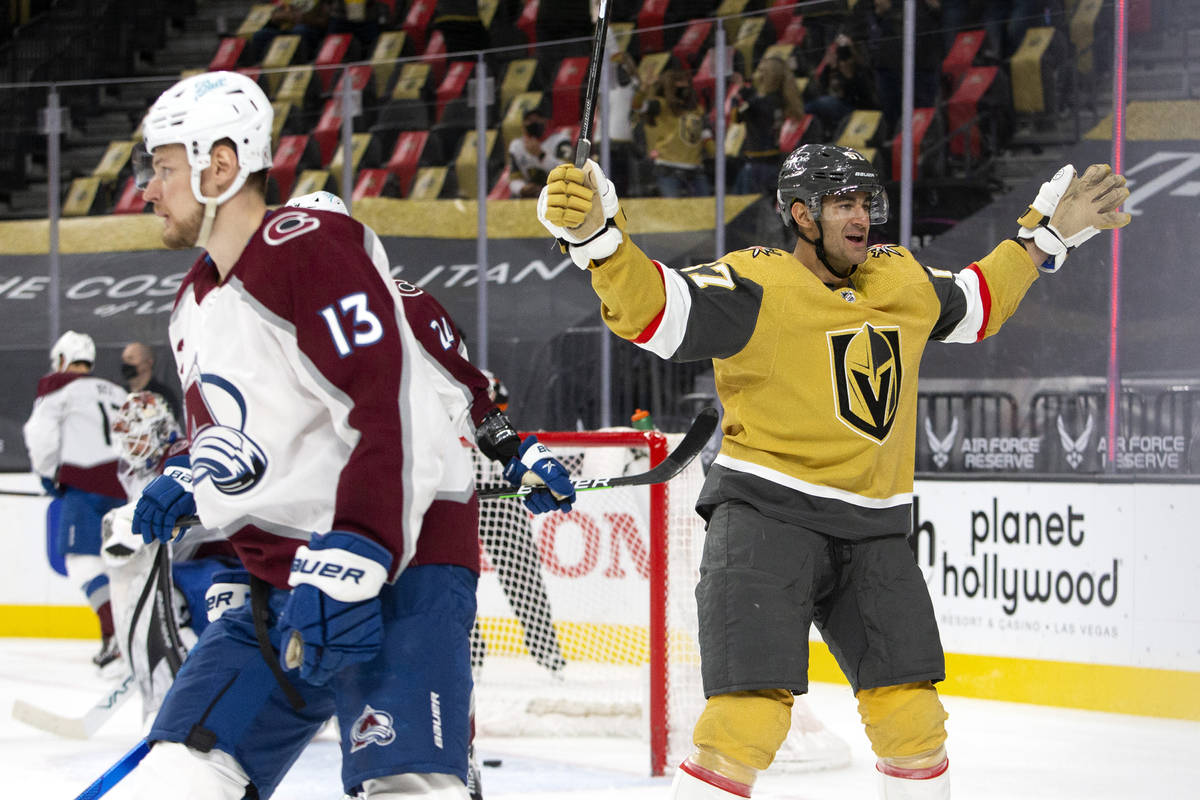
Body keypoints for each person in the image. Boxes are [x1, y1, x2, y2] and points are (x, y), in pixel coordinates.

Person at [534, 147, 1131, 798]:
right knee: (744, 722)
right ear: (802, 215)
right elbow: (660, 310)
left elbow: (976, 302)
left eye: (865, 202)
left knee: (914, 722)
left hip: (873, 531)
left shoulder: (897, 279)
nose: (861, 217)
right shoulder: (754, 283)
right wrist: (598, 241)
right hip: (767, 520)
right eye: (842, 203)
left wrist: (1042, 239)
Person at [285, 191, 573, 677]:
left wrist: (516, 454)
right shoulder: (273, 322)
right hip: (334, 518)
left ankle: (522, 673)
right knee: (343, 669)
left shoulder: (401, 303)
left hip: (427, 510)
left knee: (431, 663)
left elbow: (472, 396)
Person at [101, 390, 243, 720]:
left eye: (137, 439)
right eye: (126, 440)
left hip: (222, 560)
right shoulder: (138, 470)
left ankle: (201, 689)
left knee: (210, 620)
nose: (130, 449)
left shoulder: (181, 452)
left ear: (162, 431)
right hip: (184, 566)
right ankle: (181, 686)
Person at [22, 330, 128, 668]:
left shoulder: (57, 385)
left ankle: (116, 635)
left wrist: (48, 474)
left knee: (81, 562)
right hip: (126, 489)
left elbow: (40, 436)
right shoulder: (118, 390)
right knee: (121, 567)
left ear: (63, 361)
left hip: (84, 484)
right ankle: (132, 634)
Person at [731, 55, 807, 196]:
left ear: (766, 76)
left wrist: (737, 95)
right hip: (776, 163)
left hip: (756, 167)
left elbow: (736, 117)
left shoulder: (759, 102)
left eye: (760, 70)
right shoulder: (782, 100)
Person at [638, 68, 714, 198]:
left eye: (686, 82)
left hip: (695, 169)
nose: (684, 86)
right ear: (669, 86)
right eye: (679, 82)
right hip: (667, 169)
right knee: (672, 212)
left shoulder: (697, 109)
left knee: (705, 210)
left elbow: (706, 136)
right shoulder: (661, 105)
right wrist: (644, 88)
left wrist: (717, 154)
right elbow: (638, 106)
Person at [507, 110, 572, 199]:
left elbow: (567, 172)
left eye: (538, 119)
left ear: (546, 121)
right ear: (523, 124)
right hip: (529, 197)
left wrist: (541, 155)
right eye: (529, 120)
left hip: (558, 194)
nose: (534, 123)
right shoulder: (516, 146)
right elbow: (514, 178)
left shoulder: (560, 141)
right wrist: (522, 189)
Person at [120, 341, 182, 422]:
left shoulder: (163, 395)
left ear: (148, 362)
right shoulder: (119, 393)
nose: (126, 363)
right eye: (124, 360)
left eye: (130, 358)